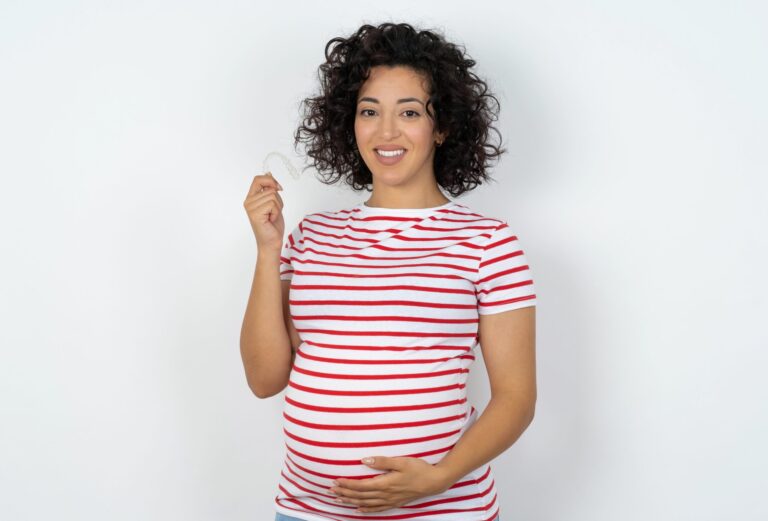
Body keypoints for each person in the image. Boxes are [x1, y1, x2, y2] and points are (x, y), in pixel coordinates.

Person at [242, 22, 536, 521]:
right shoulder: (311, 236)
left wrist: (437, 478)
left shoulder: (487, 243)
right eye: (369, 111)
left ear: (442, 126)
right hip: (308, 510)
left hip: (443, 510)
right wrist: (268, 250)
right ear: (348, 124)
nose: (387, 132)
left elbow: (516, 398)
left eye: (410, 112)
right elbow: (266, 378)